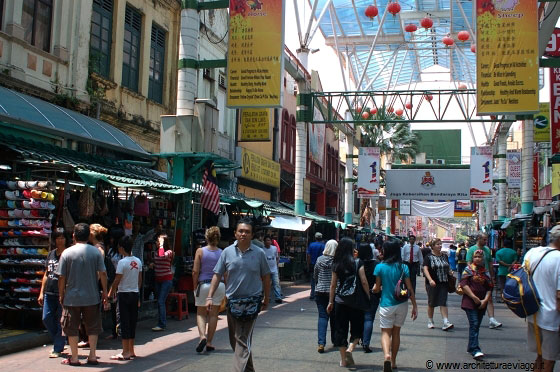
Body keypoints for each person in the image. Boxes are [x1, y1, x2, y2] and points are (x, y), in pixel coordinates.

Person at [206, 218, 271, 372]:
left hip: (252, 303)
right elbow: (217, 274)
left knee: (242, 340)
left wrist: (266, 298)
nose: (243, 234)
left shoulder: (259, 253)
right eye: (241, 231)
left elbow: (266, 277)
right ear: (235, 233)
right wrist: (209, 296)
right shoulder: (227, 252)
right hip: (232, 302)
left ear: (252, 235)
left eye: (247, 232)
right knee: (235, 341)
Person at [56, 223, 108, 366]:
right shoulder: (96, 252)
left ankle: (74, 357)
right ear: (88, 236)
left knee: (71, 327)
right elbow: (103, 273)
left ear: (74, 235)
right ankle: (92, 355)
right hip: (92, 296)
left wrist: (61, 294)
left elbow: (61, 277)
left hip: (72, 297)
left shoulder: (67, 253)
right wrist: (104, 292)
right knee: (93, 326)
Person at [373, 240, 418, 372]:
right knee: (396, 332)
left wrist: (373, 290)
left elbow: (377, 288)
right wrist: (414, 306)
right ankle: (393, 361)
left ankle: (386, 355)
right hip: (402, 304)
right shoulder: (403, 267)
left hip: (386, 304)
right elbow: (409, 288)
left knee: (385, 332)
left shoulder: (380, 267)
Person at [327, 238, 370, 368]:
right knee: (357, 327)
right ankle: (350, 349)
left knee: (341, 329)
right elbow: (363, 281)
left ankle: (344, 361)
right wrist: (368, 296)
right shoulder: (358, 262)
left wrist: (330, 302)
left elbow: (333, 285)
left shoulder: (337, 263)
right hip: (356, 301)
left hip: (340, 301)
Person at [524, 225, 560, 372]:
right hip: (552, 319)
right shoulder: (558, 258)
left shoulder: (533, 252)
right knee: (549, 361)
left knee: (540, 357)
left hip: (534, 313)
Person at [108, 236, 142, 360]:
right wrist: (137, 292)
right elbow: (139, 280)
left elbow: (117, 280)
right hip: (134, 293)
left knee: (124, 322)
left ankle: (125, 351)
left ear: (121, 248)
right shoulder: (138, 261)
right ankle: (131, 350)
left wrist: (110, 293)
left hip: (124, 294)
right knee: (132, 321)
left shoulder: (122, 262)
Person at [192, 226, 225, 352]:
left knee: (201, 312)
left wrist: (195, 286)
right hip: (219, 285)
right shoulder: (222, 252)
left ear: (206, 237)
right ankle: (210, 342)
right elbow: (225, 272)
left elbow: (195, 271)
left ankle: (202, 337)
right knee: (214, 314)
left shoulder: (200, 251)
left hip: (204, 284)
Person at [38, 229, 69, 358]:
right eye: (58, 238)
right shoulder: (51, 254)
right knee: (46, 318)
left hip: (63, 293)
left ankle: (58, 346)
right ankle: (60, 339)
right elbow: (46, 273)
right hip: (49, 292)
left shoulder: (68, 255)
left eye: (62, 238)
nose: (60, 240)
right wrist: (41, 292)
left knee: (60, 321)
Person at [460, 249, 493, 360]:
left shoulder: (485, 271)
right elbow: (464, 285)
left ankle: (471, 347)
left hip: (481, 303)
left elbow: (489, 287)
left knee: (476, 325)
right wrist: (474, 297)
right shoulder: (468, 270)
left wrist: (485, 300)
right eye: (476, 257)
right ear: (472, 258)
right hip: (470, 302)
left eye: (480, 257)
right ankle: (475, 349)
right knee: (474, 323)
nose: (478, 259)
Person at [466, 233, 502, 329]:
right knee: (475, 297)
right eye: (484, 239)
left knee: (489, 297)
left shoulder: (487, 249)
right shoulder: (471, 250)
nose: (486, 241)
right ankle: (475, 318)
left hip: (486, 275)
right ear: (478, 238)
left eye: (486, 239)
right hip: (475, 276)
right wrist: (471, 276)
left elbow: (490, 263)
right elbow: (469, 264)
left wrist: (492, 276)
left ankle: (492, 319)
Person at [423, 238, 454, 331]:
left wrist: (450, 272)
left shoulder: (444, 256)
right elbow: (425, 269)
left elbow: (447, 266)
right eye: (437, 244)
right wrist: (430, 280)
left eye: (440, 244)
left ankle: (445, 322)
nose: (440, 246)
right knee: (431, 302)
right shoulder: (428, 257)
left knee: (443, 302)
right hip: (432, 283)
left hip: (444, 282)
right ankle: (430, 321)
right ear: (432, 246)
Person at [313, 239, 337, 353]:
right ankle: (335, 340)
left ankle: (321, 343)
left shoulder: (319, 260)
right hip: (334, 293)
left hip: (320, 291)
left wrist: (319, 283)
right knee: (334, 317)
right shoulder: (337, 261)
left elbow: (315, 274)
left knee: (323, 317)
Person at [359, 242, 380, 353]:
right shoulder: (376, 264)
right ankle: (366, 342)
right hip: (373, 294)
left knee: (359, 317)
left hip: (358, 295)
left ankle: (357, 338)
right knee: (369, 318)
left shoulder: (357, 263)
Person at [151, 233, 174, 331]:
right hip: (158, 280)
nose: (157, 242)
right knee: (160, 301)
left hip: (166, 280)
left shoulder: (169, 252)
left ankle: (162, 324)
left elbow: (161, 256)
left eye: (158, 241)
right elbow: (159, 261)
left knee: (161, 301)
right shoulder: (156, 252)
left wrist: (161, 244)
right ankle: (160, 321)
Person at [262, 235, 283, 304]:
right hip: (266, 270)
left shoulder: (274, 248)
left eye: (269, 240)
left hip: (274, 269)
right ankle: (267, 297)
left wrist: (276, 265)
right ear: (264, 242)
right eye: (266, 240)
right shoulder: (262, 250)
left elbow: (277, 257)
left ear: (271, 241)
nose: (268, 242)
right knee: (266, 284)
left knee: (276, 283)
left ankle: (278, 297)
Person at [307, 232, 325, 300]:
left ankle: (312, 294)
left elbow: (309, 255)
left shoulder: (311, 245)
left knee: (313, 279)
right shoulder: (324, 245)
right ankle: (318, 293)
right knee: (320, 279)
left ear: (315, 237)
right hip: (321, 264)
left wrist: (308, 264)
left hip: (313, 264)